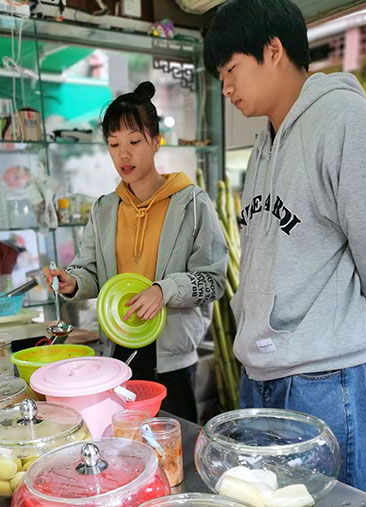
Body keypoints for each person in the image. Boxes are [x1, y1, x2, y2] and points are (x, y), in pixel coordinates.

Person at [204, 0, 366, 496]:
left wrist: (362, 324)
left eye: (231, 70)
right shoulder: (264, 144)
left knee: (339, 503)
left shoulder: (344, 120)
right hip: (261, 373)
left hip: (324, 375)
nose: (225, 87)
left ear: (273, 51)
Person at [43, 81, 228, 422]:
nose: (123, 155)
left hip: (171, 356)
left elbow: (213, 281)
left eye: (134, 142)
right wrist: (73, 282)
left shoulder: (191, 203)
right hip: (118, 354)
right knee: (124, 450)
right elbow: (92, 272)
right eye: (113, 144)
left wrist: (165, 290)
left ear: (156, 142)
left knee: (174, 448)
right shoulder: (104, 209)